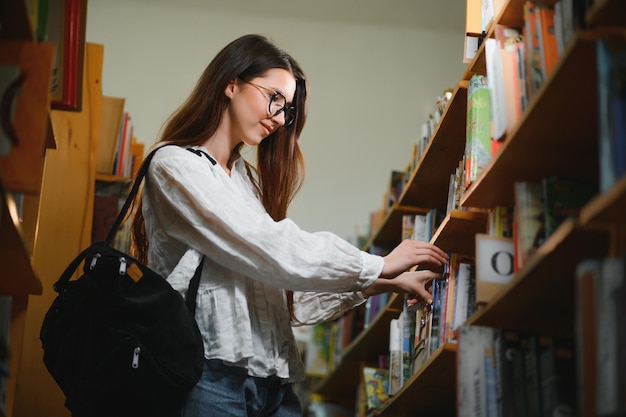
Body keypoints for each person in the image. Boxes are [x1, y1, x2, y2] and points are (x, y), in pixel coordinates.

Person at [130, 34, 448, 417]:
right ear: (231, 84)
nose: (280, 118)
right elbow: (266, 246)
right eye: (274, 98)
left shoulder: (245, 183)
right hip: (208, 375)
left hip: (273, 386)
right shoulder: (174, 166)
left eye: (287, 109)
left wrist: (381, 282)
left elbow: (282, 299)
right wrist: (374, 265)